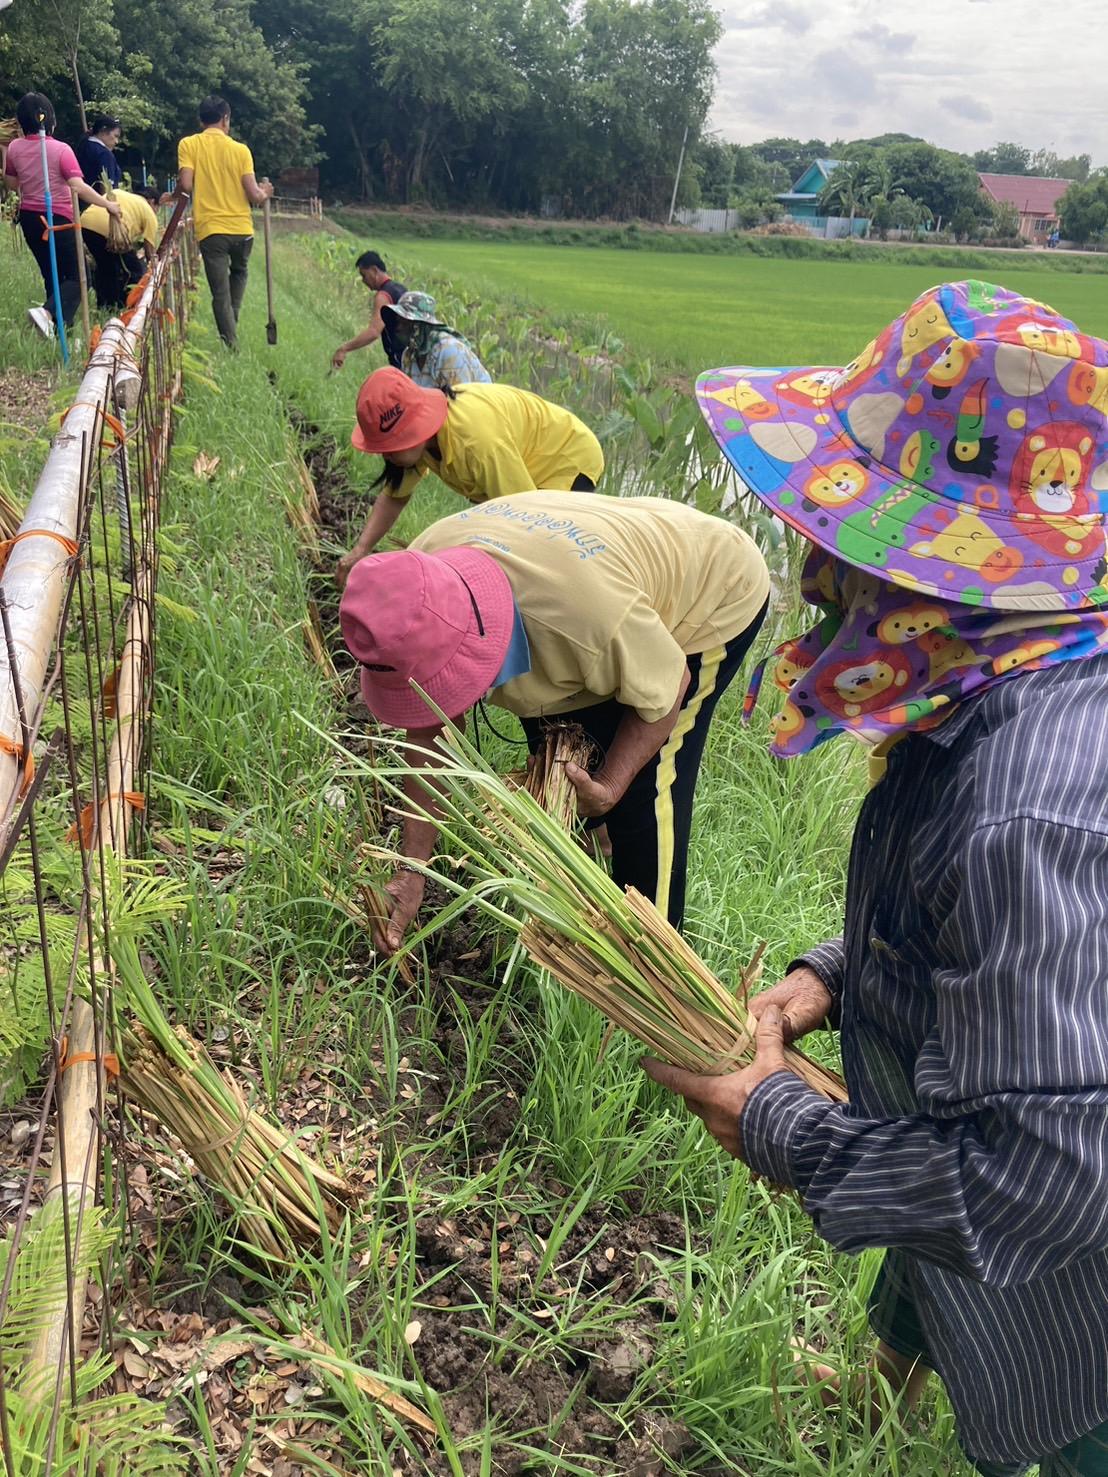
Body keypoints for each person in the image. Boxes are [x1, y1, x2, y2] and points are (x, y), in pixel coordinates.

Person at [650, 279, 1108, 1477]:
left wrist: (775, 1119)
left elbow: (1031, 1189)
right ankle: (891, 1375)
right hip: (954, 1106)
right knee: (926, 1271)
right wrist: (823, 980)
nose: (809, 574)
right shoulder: (1005, 674)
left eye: (842, 539)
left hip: (1077, 1301)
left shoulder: (1024, 807)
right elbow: (974, 950)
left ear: (937, 575)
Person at [339, 491, 769, 943]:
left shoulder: (587, 621)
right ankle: (595, 860)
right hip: (604, 560)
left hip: (714, 586)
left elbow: (668, 689)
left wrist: (610, 787)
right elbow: (429, 734)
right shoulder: (412, 580)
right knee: (563, 748)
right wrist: (413, 869)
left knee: (643, 787)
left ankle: (654, 961)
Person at [335, 370, 605, 588]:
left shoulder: (478, 444)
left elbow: (523, 517)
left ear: (416, 428)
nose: (385, 453)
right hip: (517, 468)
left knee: (543, 551)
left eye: (391, 444)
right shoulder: (420, 444)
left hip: (565, 459)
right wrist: (359, 551)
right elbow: (395, 497)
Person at [2, 92, 122, 336]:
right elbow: (77, 186)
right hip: (58, 220)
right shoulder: (61, 150)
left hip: (30, 219)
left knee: (52, 275)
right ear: (51, 120)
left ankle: (58, 331)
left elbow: (12, 183)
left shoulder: (14, 147)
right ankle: (47, 313)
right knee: (79, 276)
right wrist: (107, 204)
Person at [175, 95, 272, 349]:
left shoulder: (189, 144)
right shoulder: (241, 150)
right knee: (239, 271)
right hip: (242, 230)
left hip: (211, 231)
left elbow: (186, 184)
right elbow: (255, 196)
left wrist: (174, 191)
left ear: (201, 119)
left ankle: (231, 344)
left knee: (220, 293)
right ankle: (232, 322)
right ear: (225, 119)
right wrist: (265, 192)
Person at [381, 291, 492, 390]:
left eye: (405, 323)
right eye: (398, 322)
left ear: (421, 325)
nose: (398, 327)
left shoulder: (449, 351)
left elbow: (461, 402)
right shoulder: (408, 356)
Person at [79, 186, 160, 309]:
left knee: (105, 266)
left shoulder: (119, 192)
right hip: (109, 230)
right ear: (152, 202)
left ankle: (105, 305)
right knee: (134, 270)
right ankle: (129, 305)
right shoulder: (149, 212)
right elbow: (149, 250)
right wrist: (154, 270)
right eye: (158, 208)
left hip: (85, 223)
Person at [330, 250, 407, 372]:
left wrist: (343, 349)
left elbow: (373, 332)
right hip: (413, 356)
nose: (363, 280)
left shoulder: (383, 296)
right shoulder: (400, 289)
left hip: (401, 359)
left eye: (364, 275)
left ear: (374, 270)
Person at [76, 115, 122, 194]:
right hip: (98, 203)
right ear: (103, 131)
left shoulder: (81, 147)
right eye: (115, 136)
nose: (116, 141)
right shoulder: (104, 154)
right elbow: (106, 188)